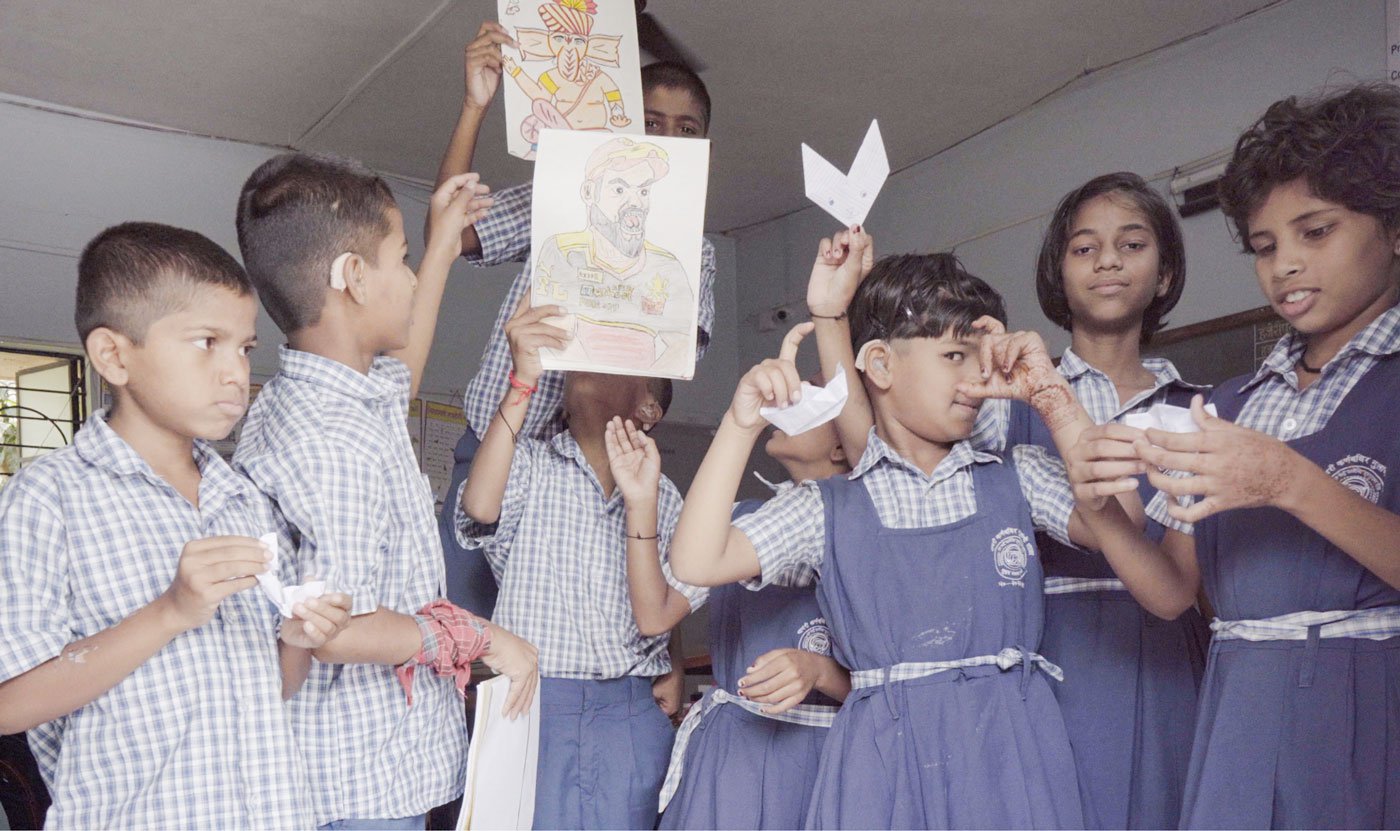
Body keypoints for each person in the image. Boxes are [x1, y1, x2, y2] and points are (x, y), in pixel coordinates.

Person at [668, 252, 1108, 829]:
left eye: (981, 359)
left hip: (1009, 755)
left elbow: (1114, 527)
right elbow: (697, 560)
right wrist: (740, 421)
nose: (976, 377)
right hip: (882, 765)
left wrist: (1050, 395)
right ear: (878, 364)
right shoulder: (829, 507)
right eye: (955, 356)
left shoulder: (1017, 477)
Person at [1067, 83, 1400, 829]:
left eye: (1316, 232)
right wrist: (1103, 513)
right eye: (1265, 245)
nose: (1286, 265)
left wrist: (1288, 480)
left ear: (1394, 227)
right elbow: (1171, 593)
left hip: (1371, 706)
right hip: (1239, 708)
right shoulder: (1232, 402)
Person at [0, 222, 350, 828]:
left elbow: (276, 688)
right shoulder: (50, 496)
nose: (235, 372)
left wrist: (297, 642)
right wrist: (171, 611)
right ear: (114, 355)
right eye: (206, 341)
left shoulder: (245, 500)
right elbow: (11, 706)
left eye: (244, 348)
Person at [233, 152, 538, 829]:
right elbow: (337, 631)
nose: (408, 274)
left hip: (372, 772)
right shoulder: (329, 443)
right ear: (353, 278)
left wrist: (439, 257)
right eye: (400, 259)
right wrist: (480, 635)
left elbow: (401, 370)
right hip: (361, 788)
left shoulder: (323, 393)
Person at [433, 21, 716, 630]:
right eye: (650, 122)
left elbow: (665, 354)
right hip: (495, 450)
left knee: (568, 649)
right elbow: (448, 233)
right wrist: (474, 106)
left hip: (593, 483)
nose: (666, 136)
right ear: (619, 124)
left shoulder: (695, 255)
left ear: (703, 147)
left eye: (686, 129)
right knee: (458, 640)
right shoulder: (557, 199)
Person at [987, 172, 1209, 829]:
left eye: (1131, 244)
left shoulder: (1196, 409)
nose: (1107, 260)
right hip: (1045, 654)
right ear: (1058, 273)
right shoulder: (1008, 401)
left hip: (1164, 662)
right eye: (1084, 248)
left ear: (1165, 273)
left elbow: (1186, 582)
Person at [455, 297, 704, 830]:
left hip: (629, 711)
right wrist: (522, 382)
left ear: (648, 409)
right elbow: (479, 505)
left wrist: (675, 662)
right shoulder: (530, 465)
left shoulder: (670, 499)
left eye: (617, 357)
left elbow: (665, 601)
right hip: (535, 703)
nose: (588, 362)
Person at [609, 372, 851, 829]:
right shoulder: (744, 525)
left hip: (822, 761)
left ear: (843, 444)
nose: (792, 396)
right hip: (731, 759)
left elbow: (901, 685)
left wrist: (819, 671)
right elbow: (654, 613)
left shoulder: (866, 527)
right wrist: (641, 501)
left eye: (815, 392)